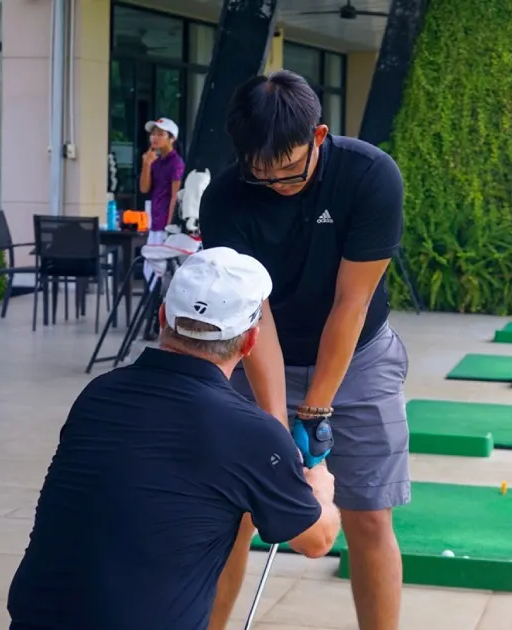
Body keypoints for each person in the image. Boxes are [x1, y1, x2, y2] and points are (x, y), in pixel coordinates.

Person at [7, 247, 341, 630]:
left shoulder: (98, 394)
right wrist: (321, 489)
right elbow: (316, 541)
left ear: (163, 316)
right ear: (250, 342)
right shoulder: (253, 433)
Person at [198, 70, 409, 630]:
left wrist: (314, 411)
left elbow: (352, 303)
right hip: (259, 353)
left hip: (357, 356)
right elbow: (254, 313)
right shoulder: (225, 198)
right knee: (234, 515)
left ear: (317, 137)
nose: (279, 185)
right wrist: (273, 423)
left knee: (366, 517)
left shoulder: (369, 176)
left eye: (291, 170)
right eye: (262, 176)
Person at [139, 117, 185, 283]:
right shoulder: (155, 161)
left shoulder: (176, 163)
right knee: (149, 267)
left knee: (160, 270)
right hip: (154, 220)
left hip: (165, 224)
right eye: (153, 134)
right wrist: (146, 164)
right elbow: (144, 188)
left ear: (171, 138)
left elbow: (176, 195)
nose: (155, 137)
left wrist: (170, 224)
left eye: (160, 134)